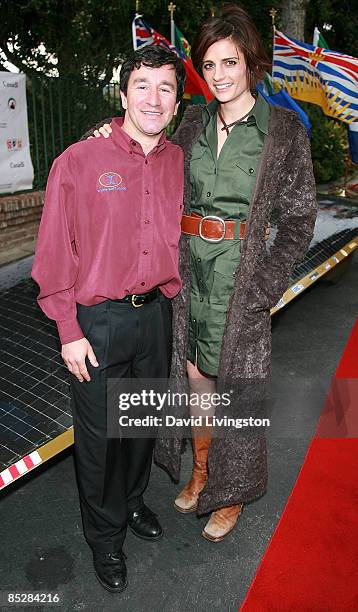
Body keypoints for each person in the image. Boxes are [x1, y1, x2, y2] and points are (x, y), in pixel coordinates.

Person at [89, 4, 317, 543]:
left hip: (241, 280)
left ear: (251, 63)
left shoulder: (282, 131)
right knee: (196, 384)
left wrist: (266, 283)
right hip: (189, 276)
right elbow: (139, 143)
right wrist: (107, 129)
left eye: (228, 63)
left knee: (237, 390)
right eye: (209, 65)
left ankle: (231, 492)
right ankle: (201, 471)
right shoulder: (189, 123)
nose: (217, 75)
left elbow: (299, 217)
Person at [32, 46, 186, 593]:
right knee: (99, 441)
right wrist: (68, 331)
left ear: (175, 102)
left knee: (141, 426)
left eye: (165, 88)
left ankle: (133, 501)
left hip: (155, 317)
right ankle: (104, 539)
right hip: (97, 323)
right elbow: (52, 257)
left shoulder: (177, 159)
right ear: (122, 96)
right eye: (141, 85)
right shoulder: (78, 162)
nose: (153, 97)